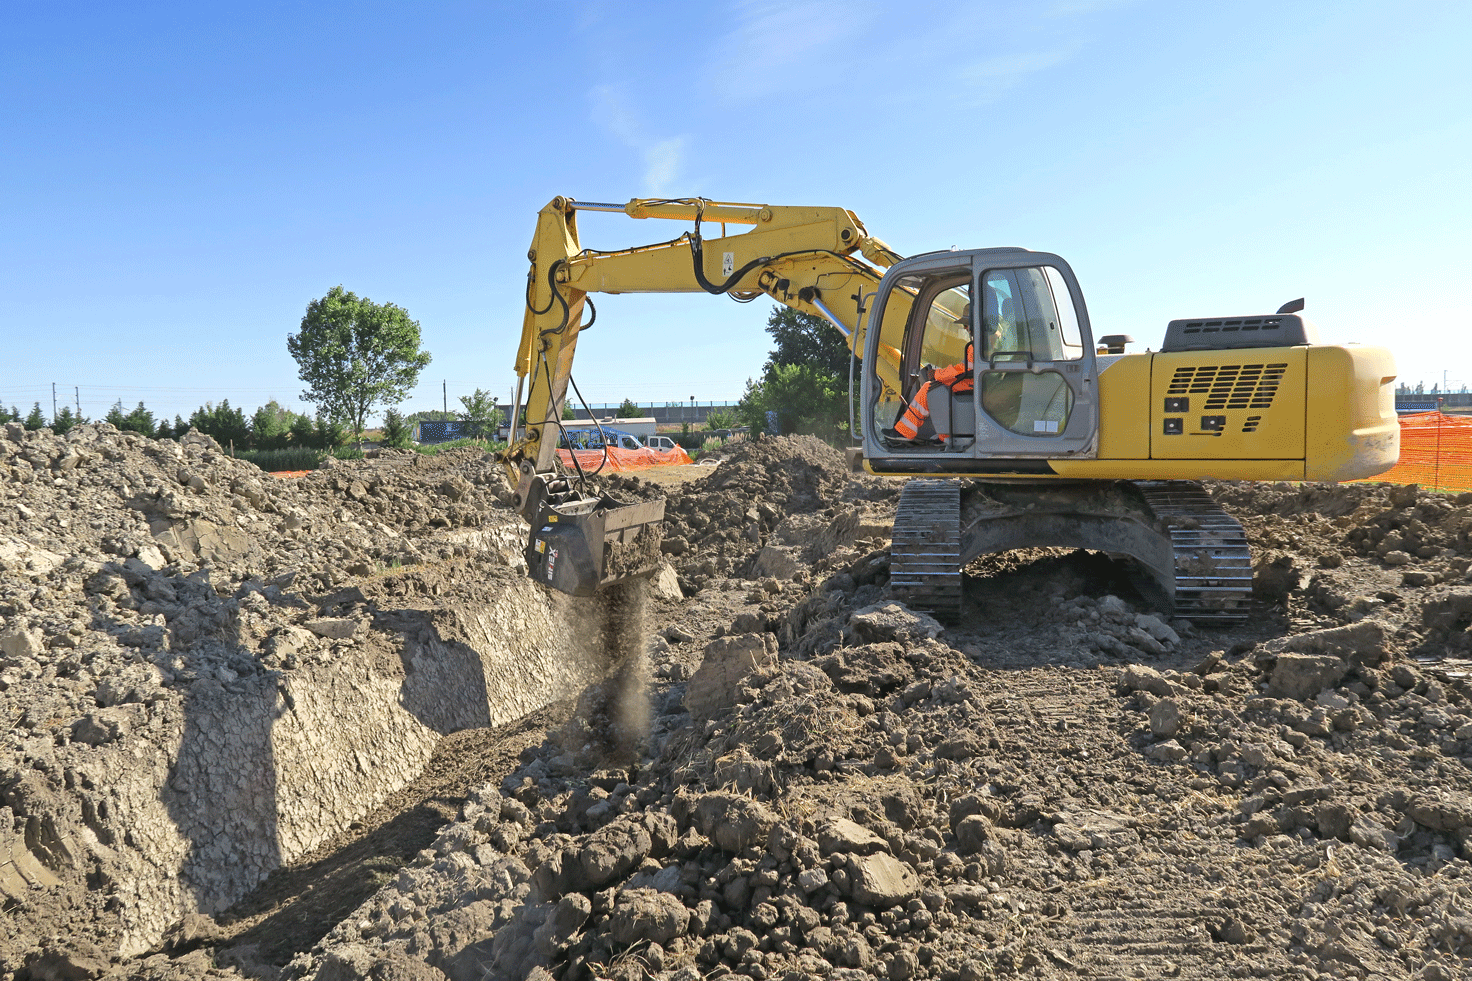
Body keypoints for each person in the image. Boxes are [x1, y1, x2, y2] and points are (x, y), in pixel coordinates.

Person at [888, 303, 974, 441]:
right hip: (973, 381)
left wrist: (937, 375)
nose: (964, 328)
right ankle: (944, 436)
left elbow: (965, 370)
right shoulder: (982, 342)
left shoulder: (977, 345)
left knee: (930, 388)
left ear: (974, 323)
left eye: (966, 324)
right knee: (937, 385)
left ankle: (904, 432)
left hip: (971, 383)